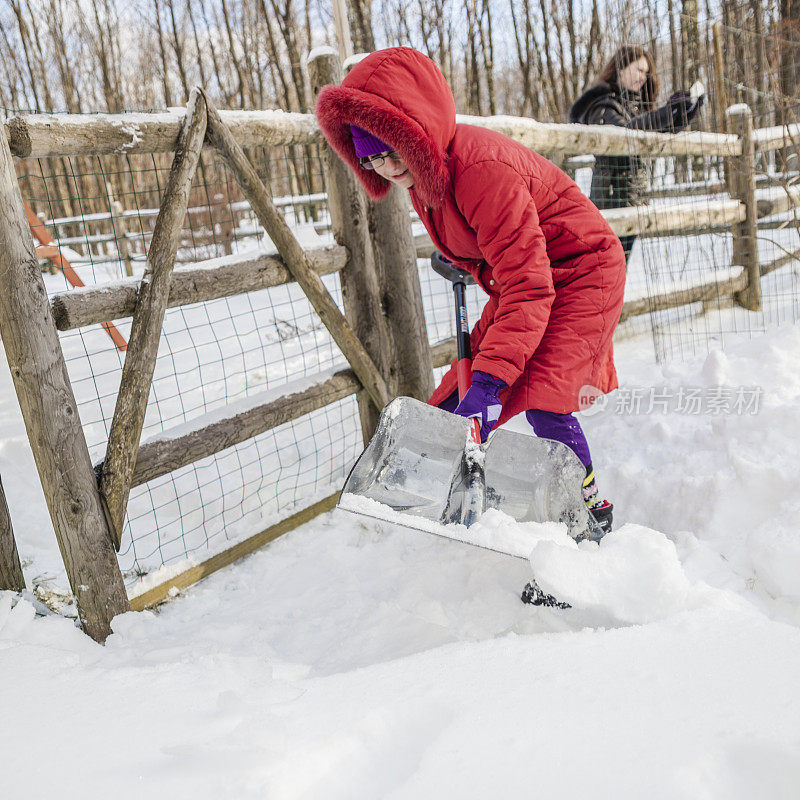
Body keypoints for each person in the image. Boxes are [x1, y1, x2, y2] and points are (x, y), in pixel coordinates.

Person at [316, 47, 626, 542]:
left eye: (391, 148)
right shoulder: (422, 176)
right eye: (369, 155)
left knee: (543, 392)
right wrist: (465, 261)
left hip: (581, 270)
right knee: (460, 396)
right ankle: (446, 495)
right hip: (526, 276)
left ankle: (588, 515)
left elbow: (529, 282)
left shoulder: (481, 169)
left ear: (416, 131)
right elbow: (489, 241)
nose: (384, 165)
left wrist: (491, 383)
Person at [569, 45, 704, 261]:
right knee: (608, 271)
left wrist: (681, 115)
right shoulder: (602, 106)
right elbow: (627, 132)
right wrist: (665, 113)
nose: (643, 77)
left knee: (620, 270)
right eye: (638, 70)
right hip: (610, 201)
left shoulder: (634, 106)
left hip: (633, 199)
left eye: (646, 72)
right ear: (621, 69)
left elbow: (649, 129)